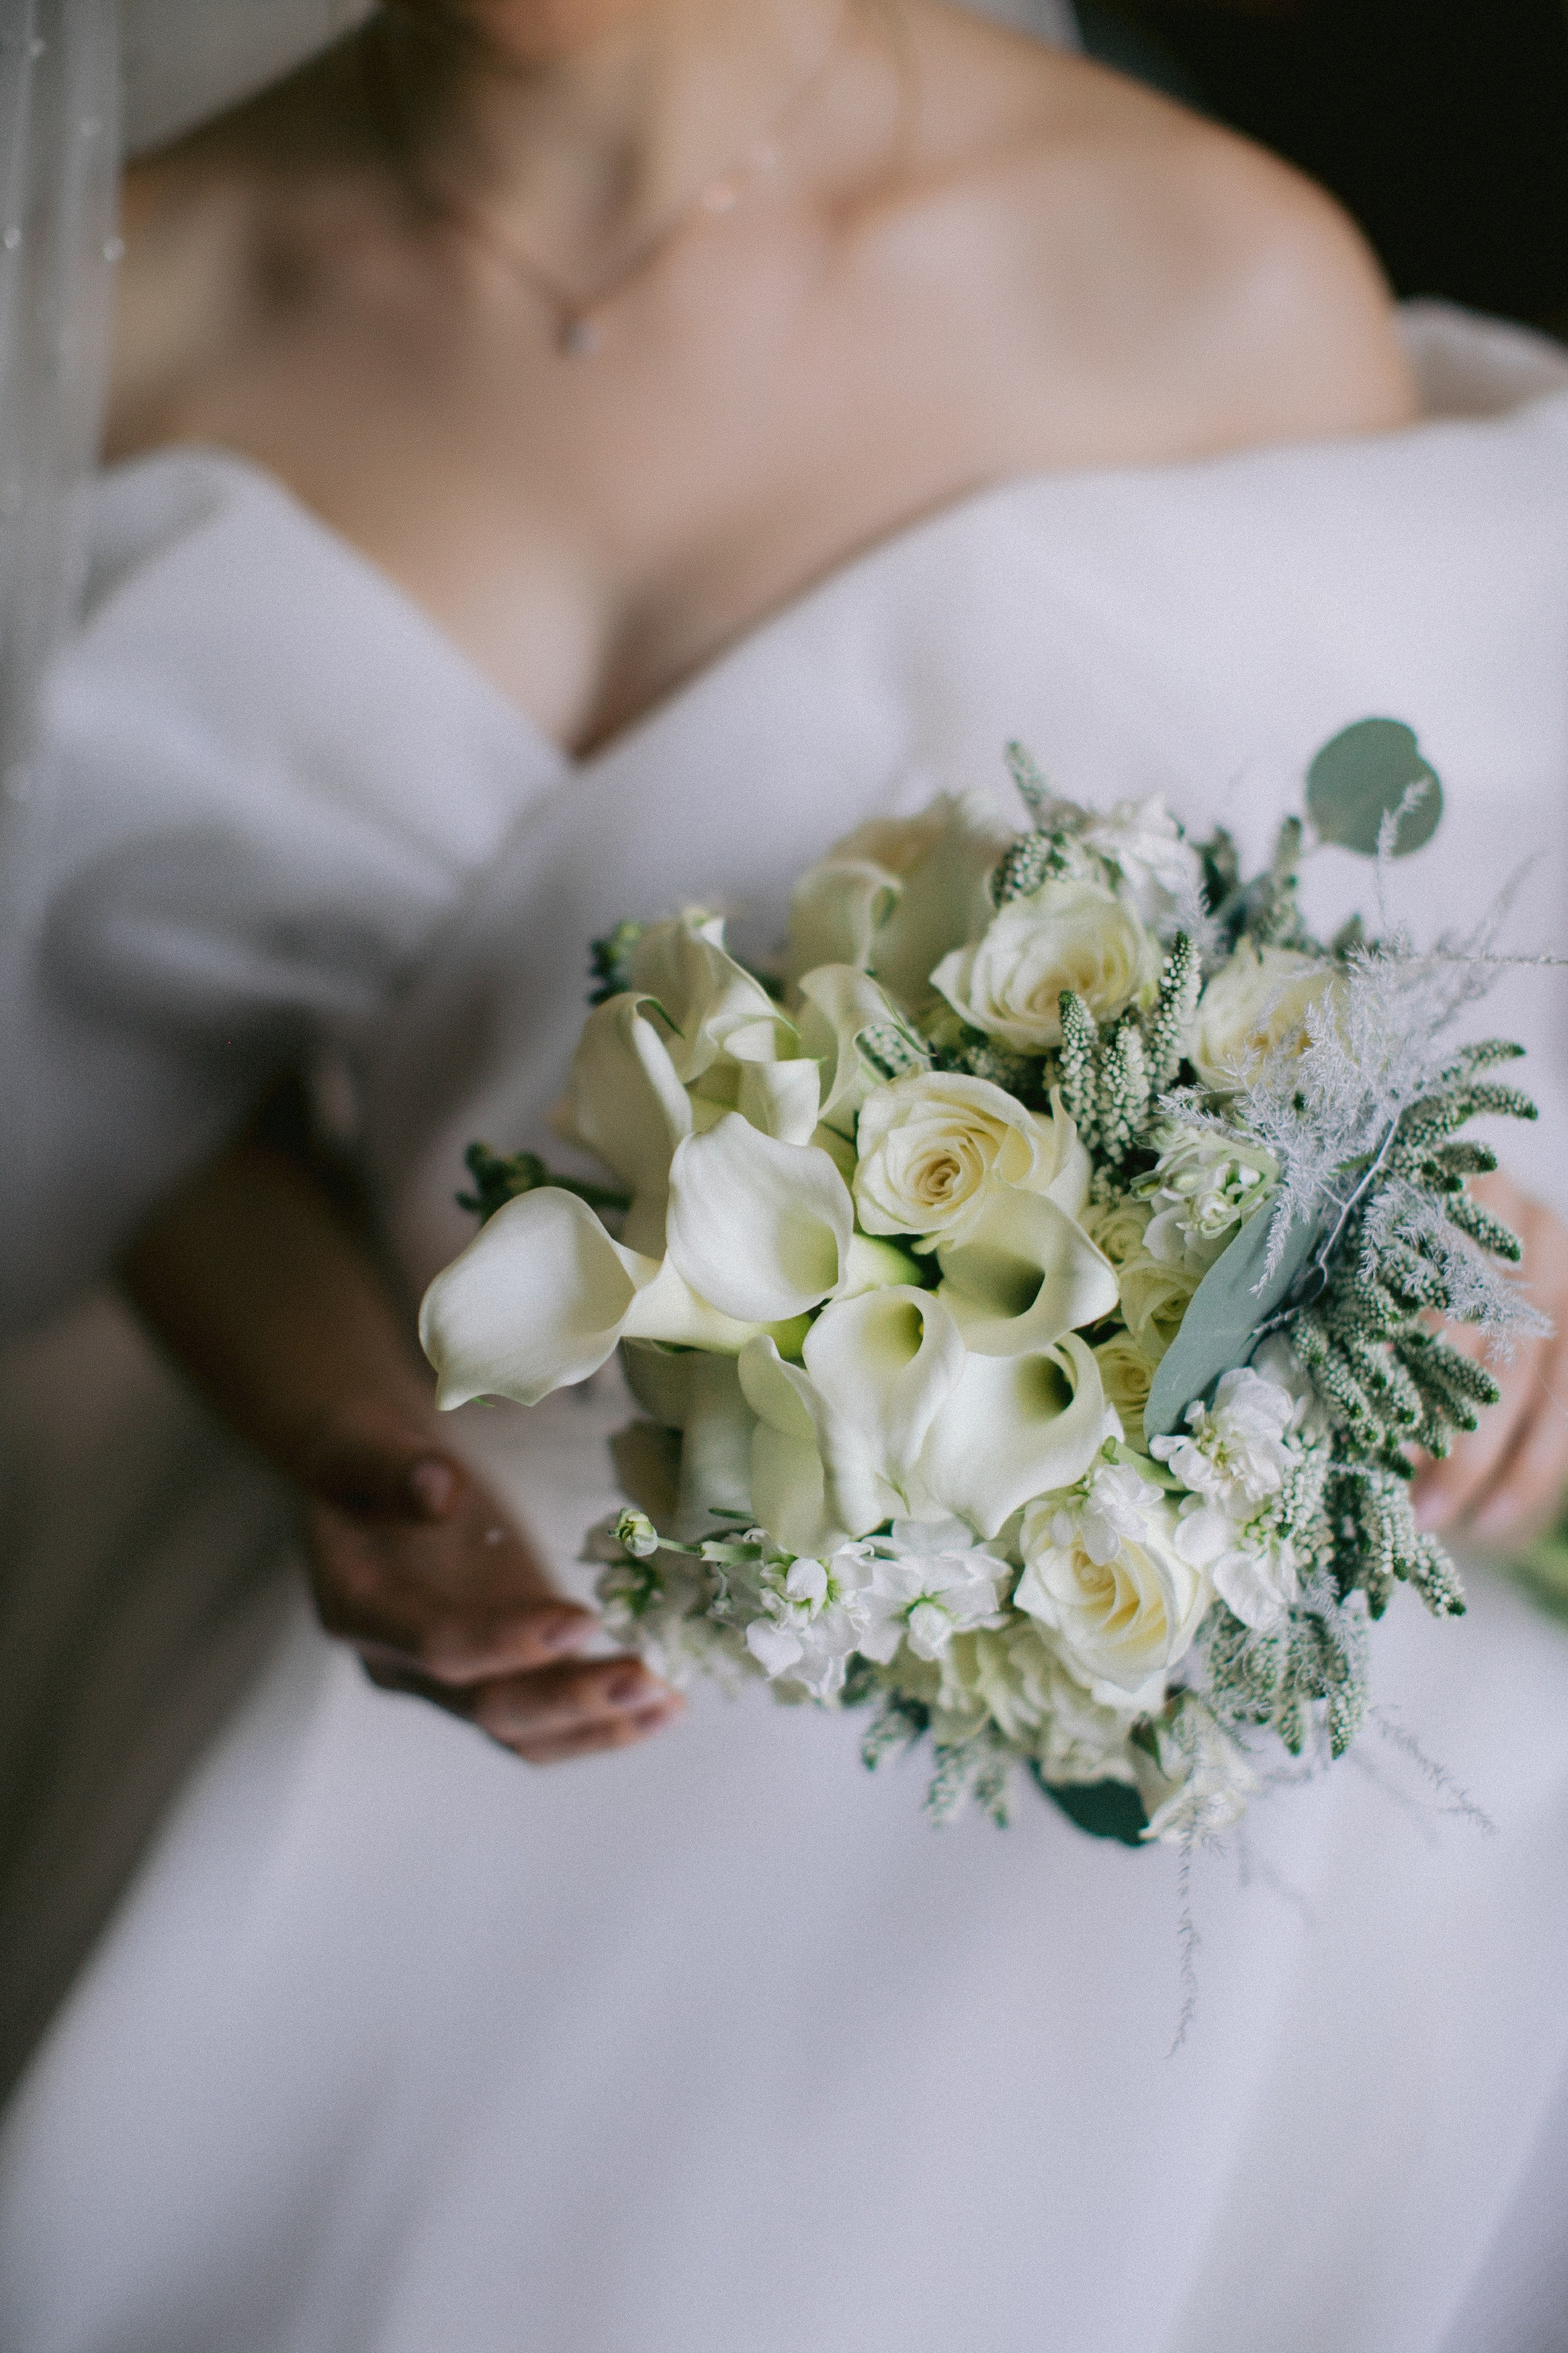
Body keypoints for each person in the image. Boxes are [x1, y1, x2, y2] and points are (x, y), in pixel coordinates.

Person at [3, 4, 1568, 2346]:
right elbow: (126, 1079)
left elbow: (1443, 972)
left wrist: (1480, 1257)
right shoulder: (106, 313)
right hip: (491, 1719)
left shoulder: (1186, 272)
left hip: (1168, 1844)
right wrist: (348, 1439)